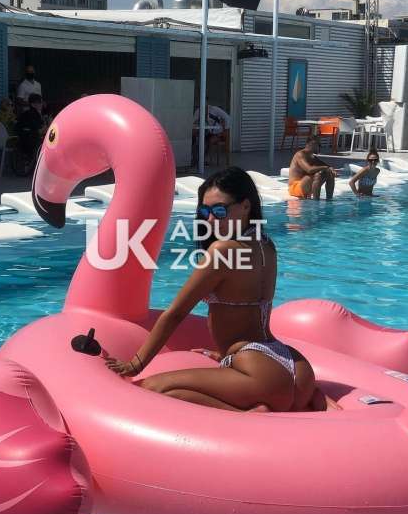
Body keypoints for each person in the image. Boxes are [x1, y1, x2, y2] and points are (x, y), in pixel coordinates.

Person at [106, 167, 339, 412]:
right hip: (294, 367)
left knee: (152, 389)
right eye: (204, 212)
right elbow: (251, 314)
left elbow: (175, 314)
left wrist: (135, 364)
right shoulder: (266, 245)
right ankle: (302, 400)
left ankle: (251, 414)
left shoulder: (223, 251)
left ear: (245, 206)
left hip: (260, 371)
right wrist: (225, 354)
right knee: (180, 391)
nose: (210, 220)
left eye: (219, 211)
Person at [288, 136, 338, 200]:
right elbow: (309, 170)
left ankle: (329, 200)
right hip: (295, 187)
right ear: (311, 144)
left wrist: (331, 169)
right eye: (318, 145)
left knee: (329, 173)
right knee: (318, 174)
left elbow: (327, 166)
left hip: (305, 185)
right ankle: (315, 202)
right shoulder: (300, 154)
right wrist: (326, 167)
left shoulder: (312, 157)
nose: (319, 147)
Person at [14, 93, 47, 176]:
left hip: (22, 139)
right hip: (32, 140)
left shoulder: (25, 114)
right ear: (33, 104)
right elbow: (39, 130)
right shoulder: (35, 115)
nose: (41, 104)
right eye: (40, 102)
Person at [192, 101, 230, 166]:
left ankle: (203, 160)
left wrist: (225, 131)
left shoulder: (215, 109)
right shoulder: (198, 111)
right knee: (195, 138)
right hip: (208, 131)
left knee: (209, 141)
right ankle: (196, 159)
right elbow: (193, 122)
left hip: (218, 133)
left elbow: (227, 117)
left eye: (205, 103)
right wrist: (195, 125)